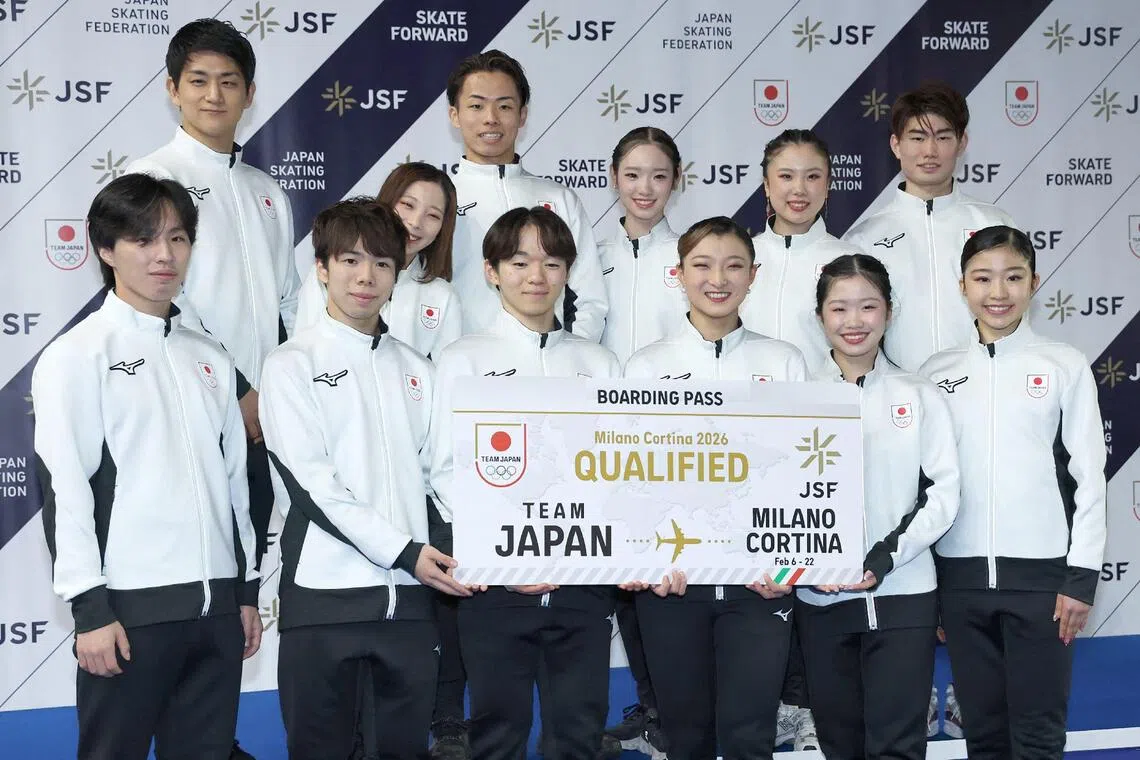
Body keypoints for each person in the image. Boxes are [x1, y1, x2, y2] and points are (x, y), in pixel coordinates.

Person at [32, 173, 262, 760]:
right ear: (105, 249)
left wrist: (244, 592)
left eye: (179, 238)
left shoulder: (208, 355)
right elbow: (66, 490)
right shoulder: (76, 355)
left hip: (215, 612)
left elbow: (237, 485)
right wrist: (90, 610)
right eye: (143, 239)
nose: (164, 255)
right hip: (129, 615)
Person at [126, 39, 300, 754]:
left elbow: (289, 305)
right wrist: (237, 388)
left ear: (250, 93)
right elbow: (162, 297)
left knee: (246, 576)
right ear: (172, 88)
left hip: (265, 420)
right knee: (193, 576)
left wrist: (279, 390)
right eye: (198, 81)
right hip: (190, 414)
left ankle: (207, 741)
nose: (213, 96)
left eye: (230, 82)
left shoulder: (266, 190)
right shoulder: (151, 178)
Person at [259, 198, 471, 760]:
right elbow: (312, 487)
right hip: (322, 601)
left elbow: (443, 480)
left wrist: (475, 551)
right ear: (322, 268)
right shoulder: (289, 364)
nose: (366, 276)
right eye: (350, 259)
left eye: (382, 263)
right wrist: (405, 551)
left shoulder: (418, 370)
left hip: (409, 605)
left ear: (398, 274)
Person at [430, 206, 621, 760]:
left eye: (552, 262)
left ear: (568, 273)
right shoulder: (463, 359)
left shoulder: (599, 363)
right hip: (495, 587)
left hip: (583, 584)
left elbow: (616, 476)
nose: (536, 276)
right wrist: (503, 560)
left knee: (578, 732)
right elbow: (444, 470)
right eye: (519, 262)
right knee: (497, 733)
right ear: (491, 271)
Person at [622, 216, 807, 760]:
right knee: (686, 738)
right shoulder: (645, 367)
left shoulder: (784, 362)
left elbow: (804, 481)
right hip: (672, 588)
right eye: (702, 265)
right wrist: (642, 560)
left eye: (733, 265)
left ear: (754, 275)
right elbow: (630, 480)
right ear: (679, 273)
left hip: (760, 587)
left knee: (751, 739)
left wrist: (784, 569)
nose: (718, 279)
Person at [920, 226, 1106, 759]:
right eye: (983, 278)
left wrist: (1080, 578)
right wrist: (932, 587)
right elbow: (927, 485)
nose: (997, 292)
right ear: (962, 286)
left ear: (1035, 282)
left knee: (1039, 733)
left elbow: (1089, 477)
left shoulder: (1063, 364)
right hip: (960, 583)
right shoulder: (937, 373)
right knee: (984, 733)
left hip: (1043, 583)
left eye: (1012, 277)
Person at [796, 253, 960, 759]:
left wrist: (883, 558)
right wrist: (796, 566)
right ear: (820, 315)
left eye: (868, 306)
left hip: (904, 595)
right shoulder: (796, 397)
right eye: (839, 308)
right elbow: (771, 500)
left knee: (897, 745)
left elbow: (942, 493)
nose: (854, 322)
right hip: (820, 601)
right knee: (840, 743)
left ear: (889, 312)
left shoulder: (921, 394)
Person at [593, 125, 687, 759]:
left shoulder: (691, 256)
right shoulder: (584, 256)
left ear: (675, 183)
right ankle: (650, 704)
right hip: (603, 437)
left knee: (667, 575)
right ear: (613, 180)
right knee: (621, 575)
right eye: (633, 175)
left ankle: (669, 711)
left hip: (674, 438)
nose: (645, 188)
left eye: (658, 176)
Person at [844, 81, 1014, 376]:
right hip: (899, 400)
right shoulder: (864, 238)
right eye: (918, 137)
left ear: (962, 143)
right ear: (896, 145)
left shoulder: (995, 225)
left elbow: (1016, 316)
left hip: (985, 390)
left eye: (943, 137)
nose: (930, 151)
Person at [446, 50, 608, 340]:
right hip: (464, 373)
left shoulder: (559, 199)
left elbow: (589, 299)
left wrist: (570, 358)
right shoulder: (436, 202)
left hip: (549, 375)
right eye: (476, 106)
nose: (491, 119)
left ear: (522, 115)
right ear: (455, 115)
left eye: (504, 107)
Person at [297, 162, 463, 361]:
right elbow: (303, 350)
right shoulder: (333, 272)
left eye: (433, 215)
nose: (415, 222)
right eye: (408, 205)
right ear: (387, 202)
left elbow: (446, 378)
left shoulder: (443, 295)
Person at [742, 128, 864, 376]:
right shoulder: (739, 259)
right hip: (744, 406)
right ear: (766, 185)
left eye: (812, 177)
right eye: (786, 176)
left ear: (828, 184)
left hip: (823, 408)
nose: (799, 189)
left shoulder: (852, 261)